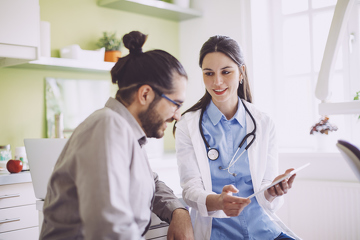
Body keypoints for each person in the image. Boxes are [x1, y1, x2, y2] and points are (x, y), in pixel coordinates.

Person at [40, 31, 194, 240]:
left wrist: (179, 211)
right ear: (145, 94)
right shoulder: (107, 128)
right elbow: (111, 228)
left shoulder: (126, 131)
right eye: (176, 104)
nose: (177, 115)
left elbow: (150, 181)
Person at [174, 35, 300, 240]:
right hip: (216, 233)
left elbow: (265, 195)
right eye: (209, 73)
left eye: (226, 72)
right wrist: (217, 201)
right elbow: (190, 190)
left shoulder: (264, 123)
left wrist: (273, 190)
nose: (217, 81)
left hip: (263, 231)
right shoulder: (187, 125)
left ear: (241, 72)